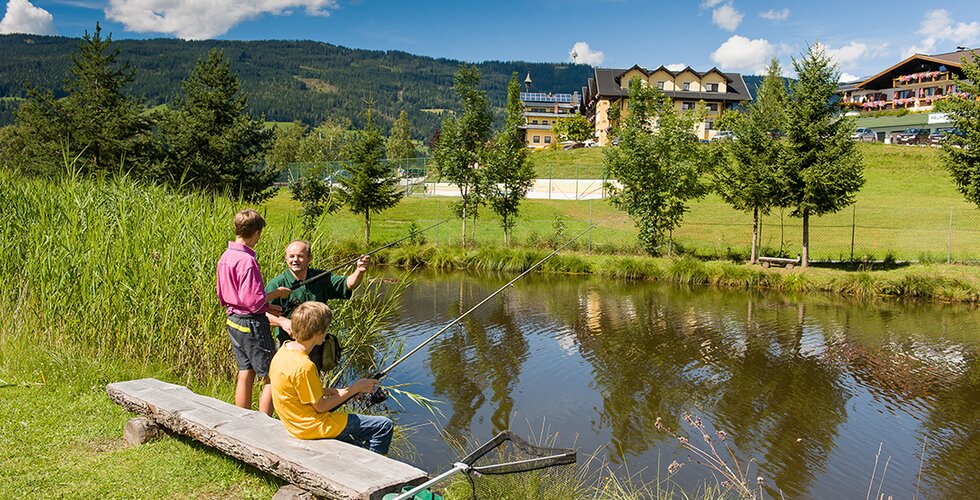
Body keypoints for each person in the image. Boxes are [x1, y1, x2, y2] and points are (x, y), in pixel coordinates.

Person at [269, 301, 393, 454]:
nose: (328, 333)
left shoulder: (283, 351)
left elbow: (295, 390)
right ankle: (370, 471)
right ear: (318, 333)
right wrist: (356, 388)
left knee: (360, 431)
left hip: (294, 423)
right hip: (309, 427)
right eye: (327, 329)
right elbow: (320, 407)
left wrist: (336, 391)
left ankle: (355, 458)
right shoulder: (304, 366)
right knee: (383, 426)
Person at [216, 209, 291, 416]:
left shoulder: (226, 255)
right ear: (257, 233)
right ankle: (263, 423)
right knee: (271, 375)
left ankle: (242, 419)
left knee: (245, 371)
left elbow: (228, 295)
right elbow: (252, 300)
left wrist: (266, 307)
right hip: (251, 325)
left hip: (233, 320)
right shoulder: (247, 261)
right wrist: (276, 293)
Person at [265, 240, 369, 372]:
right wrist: (283, 322)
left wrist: (360, 270)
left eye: (300, 256)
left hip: (316, 344)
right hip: (289, 345)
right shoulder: (277, 284)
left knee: (313, 381)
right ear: (286, 258)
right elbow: (260, 313)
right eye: (291, 256)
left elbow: (349, 284)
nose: (295, 260)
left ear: (309, 258)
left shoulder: (321, 277)